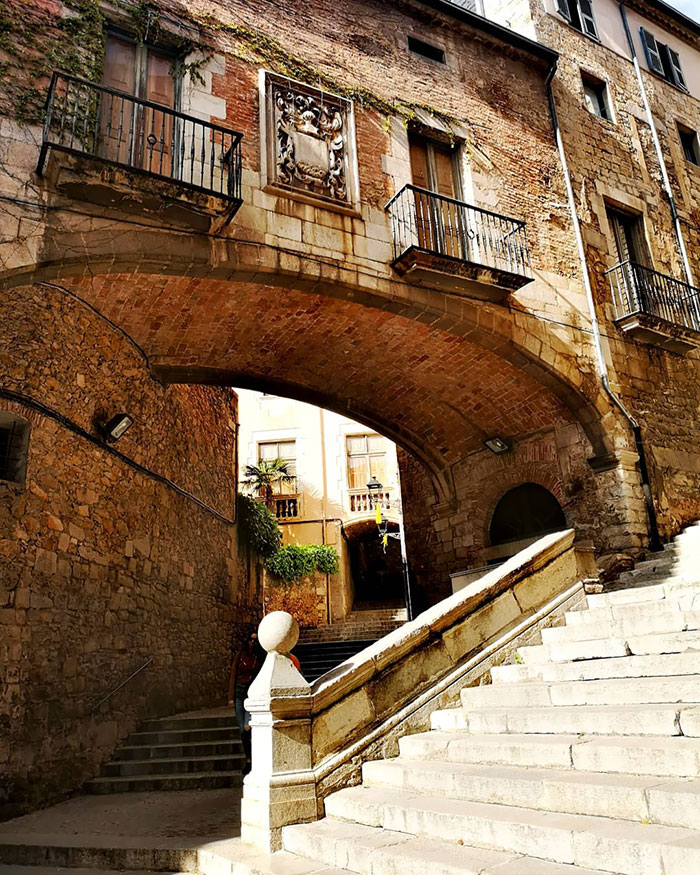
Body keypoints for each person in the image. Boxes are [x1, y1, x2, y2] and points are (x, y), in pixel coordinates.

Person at [228, 631, 265, 772]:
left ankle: (254, 759)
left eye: (255, 640)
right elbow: (233, 676)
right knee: (242, 731)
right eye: (250, 639)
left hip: (252, 697)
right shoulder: (240, 656)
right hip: (239, 695)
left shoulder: (259, 658)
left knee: (247, 727)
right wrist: (231, 697)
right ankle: (248, 760)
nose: (252, 642)